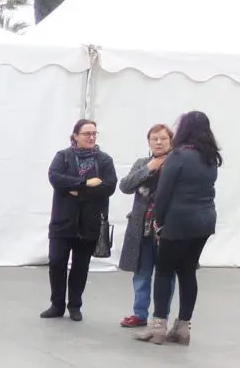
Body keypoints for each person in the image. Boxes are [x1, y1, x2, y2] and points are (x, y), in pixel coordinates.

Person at [136, 110, 221, 346]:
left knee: (164, 271)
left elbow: (163, 193)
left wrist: (159, 221)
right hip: (205, 221)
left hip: (178, 221)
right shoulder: (210, 157)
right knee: (188, 271)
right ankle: (183, 327)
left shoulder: (178, 156)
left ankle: (158, 328)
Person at [42, 119, 117, 321]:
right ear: (75, 135)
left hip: (89, 223)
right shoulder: (63, 156)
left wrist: (78, 191)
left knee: (80, 266)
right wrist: (85, 182)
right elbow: (55, 178)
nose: (91, 137)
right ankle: (57, 304)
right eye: (86, 133)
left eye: (94, 133)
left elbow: (108, 187)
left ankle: (75, 305)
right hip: (62, 221)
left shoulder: (104, 160)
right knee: (57, 262)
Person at [118, 123, 176, 328]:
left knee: (166, 275)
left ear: (171, 141)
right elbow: (125, 186)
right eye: (154, 139)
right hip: (142, 228)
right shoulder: (142, 163)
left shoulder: (177, 162)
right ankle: (139, 313)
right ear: (149, 142)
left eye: (163, 138)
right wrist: (149, 169)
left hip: (166, 229)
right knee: (141, 274)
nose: (158, 142)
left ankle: (161, 316)